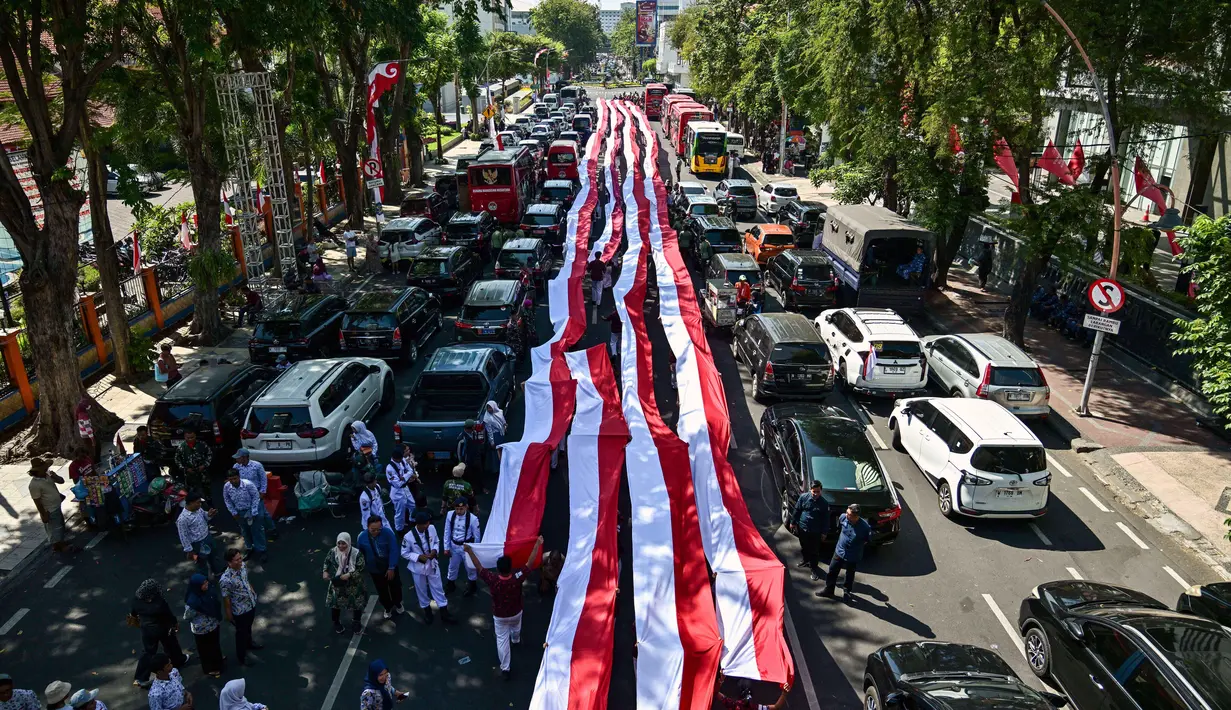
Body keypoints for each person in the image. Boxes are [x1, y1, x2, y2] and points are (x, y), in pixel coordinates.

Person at [463, 535, 543, 680]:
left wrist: (469, 551)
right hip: (516, 612)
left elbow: (479, 566)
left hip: (499, 616)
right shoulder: (517, 577)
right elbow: (529, 563)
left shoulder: (492, 579)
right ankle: (516, 640)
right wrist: (537, 544)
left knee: (501, 640)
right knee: (516, 627)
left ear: (498, 569)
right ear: (510, 568)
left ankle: (505, 667)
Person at [131, 580, 189, 688]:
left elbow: (133, 613)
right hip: (162, 628)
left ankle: (140, 677)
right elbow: (168, 614)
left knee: (148, 652)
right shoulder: (159, 602)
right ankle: (178, 660)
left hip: (147, 629)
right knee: (171, 644)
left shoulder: (136, 600)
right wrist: (174, 623)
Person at [401, 510, 456, 624]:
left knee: (438, 587)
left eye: (428, 523)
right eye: (425, 523)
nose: (427, 525)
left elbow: (436, 540)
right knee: (421, 590)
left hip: (432, 563)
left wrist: (435, 550)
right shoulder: (408, 536)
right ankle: (427, 611)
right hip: (418, 568)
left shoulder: (431, 528)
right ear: (418, 524)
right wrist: (419, 557)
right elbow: (404, 553)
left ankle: (444, 612)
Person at [817, 503, 873, 601]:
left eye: (849, 514)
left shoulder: (865, 528)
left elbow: (867, 541)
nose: (846, 515)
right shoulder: (843, 517)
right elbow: (839, 529)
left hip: (853, 555)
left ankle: (847, 592)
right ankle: (829, 590)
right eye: (846, 512)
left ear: (856, 516)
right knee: (832, 570)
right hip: (839, 551)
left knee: (850, 574)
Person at [219, 548, 263, 667]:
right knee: (241, 634)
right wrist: (229, 614)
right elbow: (226, 598)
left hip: (250, 604)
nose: (240, 561)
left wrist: (252, 592)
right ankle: (242, 656)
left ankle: (249, 643)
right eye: (237, 560)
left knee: (248, 627)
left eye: (240, 558)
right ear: (229, 562)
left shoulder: (243, 566)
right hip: (240, 610)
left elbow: (246, 580)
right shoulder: (225, 580)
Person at [357, 516, 405, 620]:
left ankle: (398, 603)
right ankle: (387, 607)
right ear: (367, 527)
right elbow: (361, 554)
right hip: (375, 569)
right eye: (373, 530)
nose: (376, 532)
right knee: (382, 590)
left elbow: (394, 550)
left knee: (395, 586)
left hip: (389, 565)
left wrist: (391, 567)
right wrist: (363, 568)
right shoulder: (361, 537)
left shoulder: (387, 533)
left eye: (379, 529)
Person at [28, 457, 77, 554]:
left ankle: (57, 545)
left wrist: (54, 476)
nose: (46, 470)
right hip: (49, 509)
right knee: (56, 527)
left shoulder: (47, 475)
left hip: (56, 505)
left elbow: (61, 481)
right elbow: (37, 501)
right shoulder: (34, 485)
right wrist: (43, 514)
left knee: (59, 525)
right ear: (37, 471)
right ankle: (61, 546)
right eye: (43, 469)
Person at [322, 532, 368, 634]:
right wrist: (325, 571)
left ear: (349, 543)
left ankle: (356, 622)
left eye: (344, 544)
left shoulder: (356, 554)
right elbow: (327, 562)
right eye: (339, 543)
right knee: (335, 604)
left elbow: (361, 569)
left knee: (356, 604)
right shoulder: (333, 552)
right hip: (338, 583)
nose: (341, 546)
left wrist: (349, 575)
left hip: (354, 584)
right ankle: (336, 622)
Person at [183, 573, 225, 678]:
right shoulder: (192, 602)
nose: (206, 585)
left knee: (214, 645)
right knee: (205, 649)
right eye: (203, 584)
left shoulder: (207, 592)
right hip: (201, 629)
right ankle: (210, 668)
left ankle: (218, 659)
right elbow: (187, 616)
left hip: (213, 625)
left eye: (206, 582)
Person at [789, 481, 830, 581]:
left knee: (814, 551)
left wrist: (824, 532)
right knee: (804, 546)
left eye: (818, 492)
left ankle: (814, 569)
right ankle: (805, 560)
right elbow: (797, 510)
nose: (816, 494)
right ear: (810, 490)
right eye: (814, 491)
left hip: (815, 531)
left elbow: (826, 519)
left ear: (821, 491)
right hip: (803, 528)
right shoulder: (803, 497)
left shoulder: (824, 503)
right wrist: (793, 522)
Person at [231, 449, 276, 540]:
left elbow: (263, 479)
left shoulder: (257, 466)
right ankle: (252, 531)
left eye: (238, 458)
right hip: (243, 494)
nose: (236, 460)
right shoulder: (236, 467)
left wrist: (262, 492)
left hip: (256, 493)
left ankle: (272, 529)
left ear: (244, 458)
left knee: (262, 513)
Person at [223, 470, 267, 562]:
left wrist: (254, 512)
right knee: (245, 531)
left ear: (239, 477)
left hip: (251, 510)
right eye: (230, 479)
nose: (233, 481)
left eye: (235, 478)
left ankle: (262, 550)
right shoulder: (227, 487)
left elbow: (256, 497)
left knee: (257, 531)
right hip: (239, 512)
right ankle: (249, 548)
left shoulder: (248, 484)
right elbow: (227, 500)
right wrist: (233, 512)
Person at [177, 495, 224, 578]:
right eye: (198, 502)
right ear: (190, 503)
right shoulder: (182, 519)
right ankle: (204, 580)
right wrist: (189, 550)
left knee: (214, 556)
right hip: (198, 544)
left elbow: (205, 516)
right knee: (202, 561)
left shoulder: (198, 509)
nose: (200, 504)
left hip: (208, 536)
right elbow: (183, 536)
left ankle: (217, 572)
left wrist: (209, 515)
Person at [442, 499, 480, 596]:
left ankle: (472, 586)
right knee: (452, 566)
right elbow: (447, 531)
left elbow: (477, 537)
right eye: (457, 509)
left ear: (466, 507)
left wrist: (475, 552)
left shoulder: (473, 519)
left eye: (461, 509)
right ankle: (451, 584)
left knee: (470, 568)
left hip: (466, 548)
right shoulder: (450, 515)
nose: (459, 511)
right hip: (454, 546)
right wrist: (446, 547)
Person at [713, 671, 789, 710]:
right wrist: (784, 693)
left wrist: (721, 680)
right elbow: (776, 707)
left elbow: (716, 693)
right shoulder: (755, 708)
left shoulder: (734, 705)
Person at [384, 447, 417, 535]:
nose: (400, 460)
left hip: (405, 488)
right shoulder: (390, 468)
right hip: (397, 491)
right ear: (394, 458)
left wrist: (404, 477)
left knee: (412, 505)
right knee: (400, 512)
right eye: (399, 459)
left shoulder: (402, 460)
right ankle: (399, 529)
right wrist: (406, 477)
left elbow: (410, 470)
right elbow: (397, 484)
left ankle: (412, 520)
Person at [173, 431, 212, 502]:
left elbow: (209, 454)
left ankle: (209, 502)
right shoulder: (181, 447)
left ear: (195, 436)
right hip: (190, 474)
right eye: (188, 438)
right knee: (191, 492)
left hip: (202, 472)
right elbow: (177, 460)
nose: (190, 439)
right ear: (185, 437)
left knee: (206, 488)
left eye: (192, 437)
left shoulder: (202, 445)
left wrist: (204, 465)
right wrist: (186, 469)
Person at [455, 420, 489, 493]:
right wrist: (461, 461)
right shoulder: (462, 437)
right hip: (468, 460)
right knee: (469, 475)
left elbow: (481, 442)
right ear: (470, 428)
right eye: (473, 426)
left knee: (480, 473)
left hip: (476, 457)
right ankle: (470, 490)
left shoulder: (475, 433)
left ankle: (482, 488)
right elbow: (459, 451)